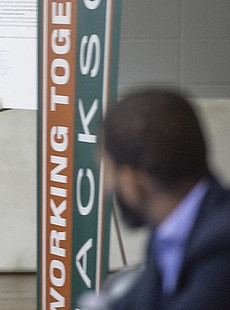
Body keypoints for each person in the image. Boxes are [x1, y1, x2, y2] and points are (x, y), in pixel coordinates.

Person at [99, 88, 230, 309]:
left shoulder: (220, 244)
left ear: (132, 180)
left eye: (109, 171)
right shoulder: (170, 234)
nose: (107, 185)